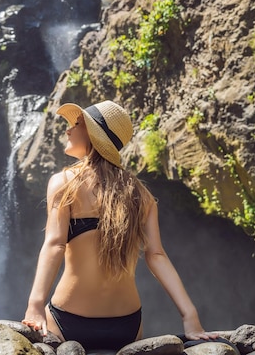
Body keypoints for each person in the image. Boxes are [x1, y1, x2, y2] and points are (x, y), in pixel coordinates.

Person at [22, 100, 218, 351]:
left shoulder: (64, 182)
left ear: (94, 134)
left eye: (77, 123)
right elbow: (156, 255)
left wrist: (35, 307)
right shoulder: (141, 194)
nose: (68, 129)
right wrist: (191, 318)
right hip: (127, 325)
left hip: (68, 320)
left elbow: (55, 245)